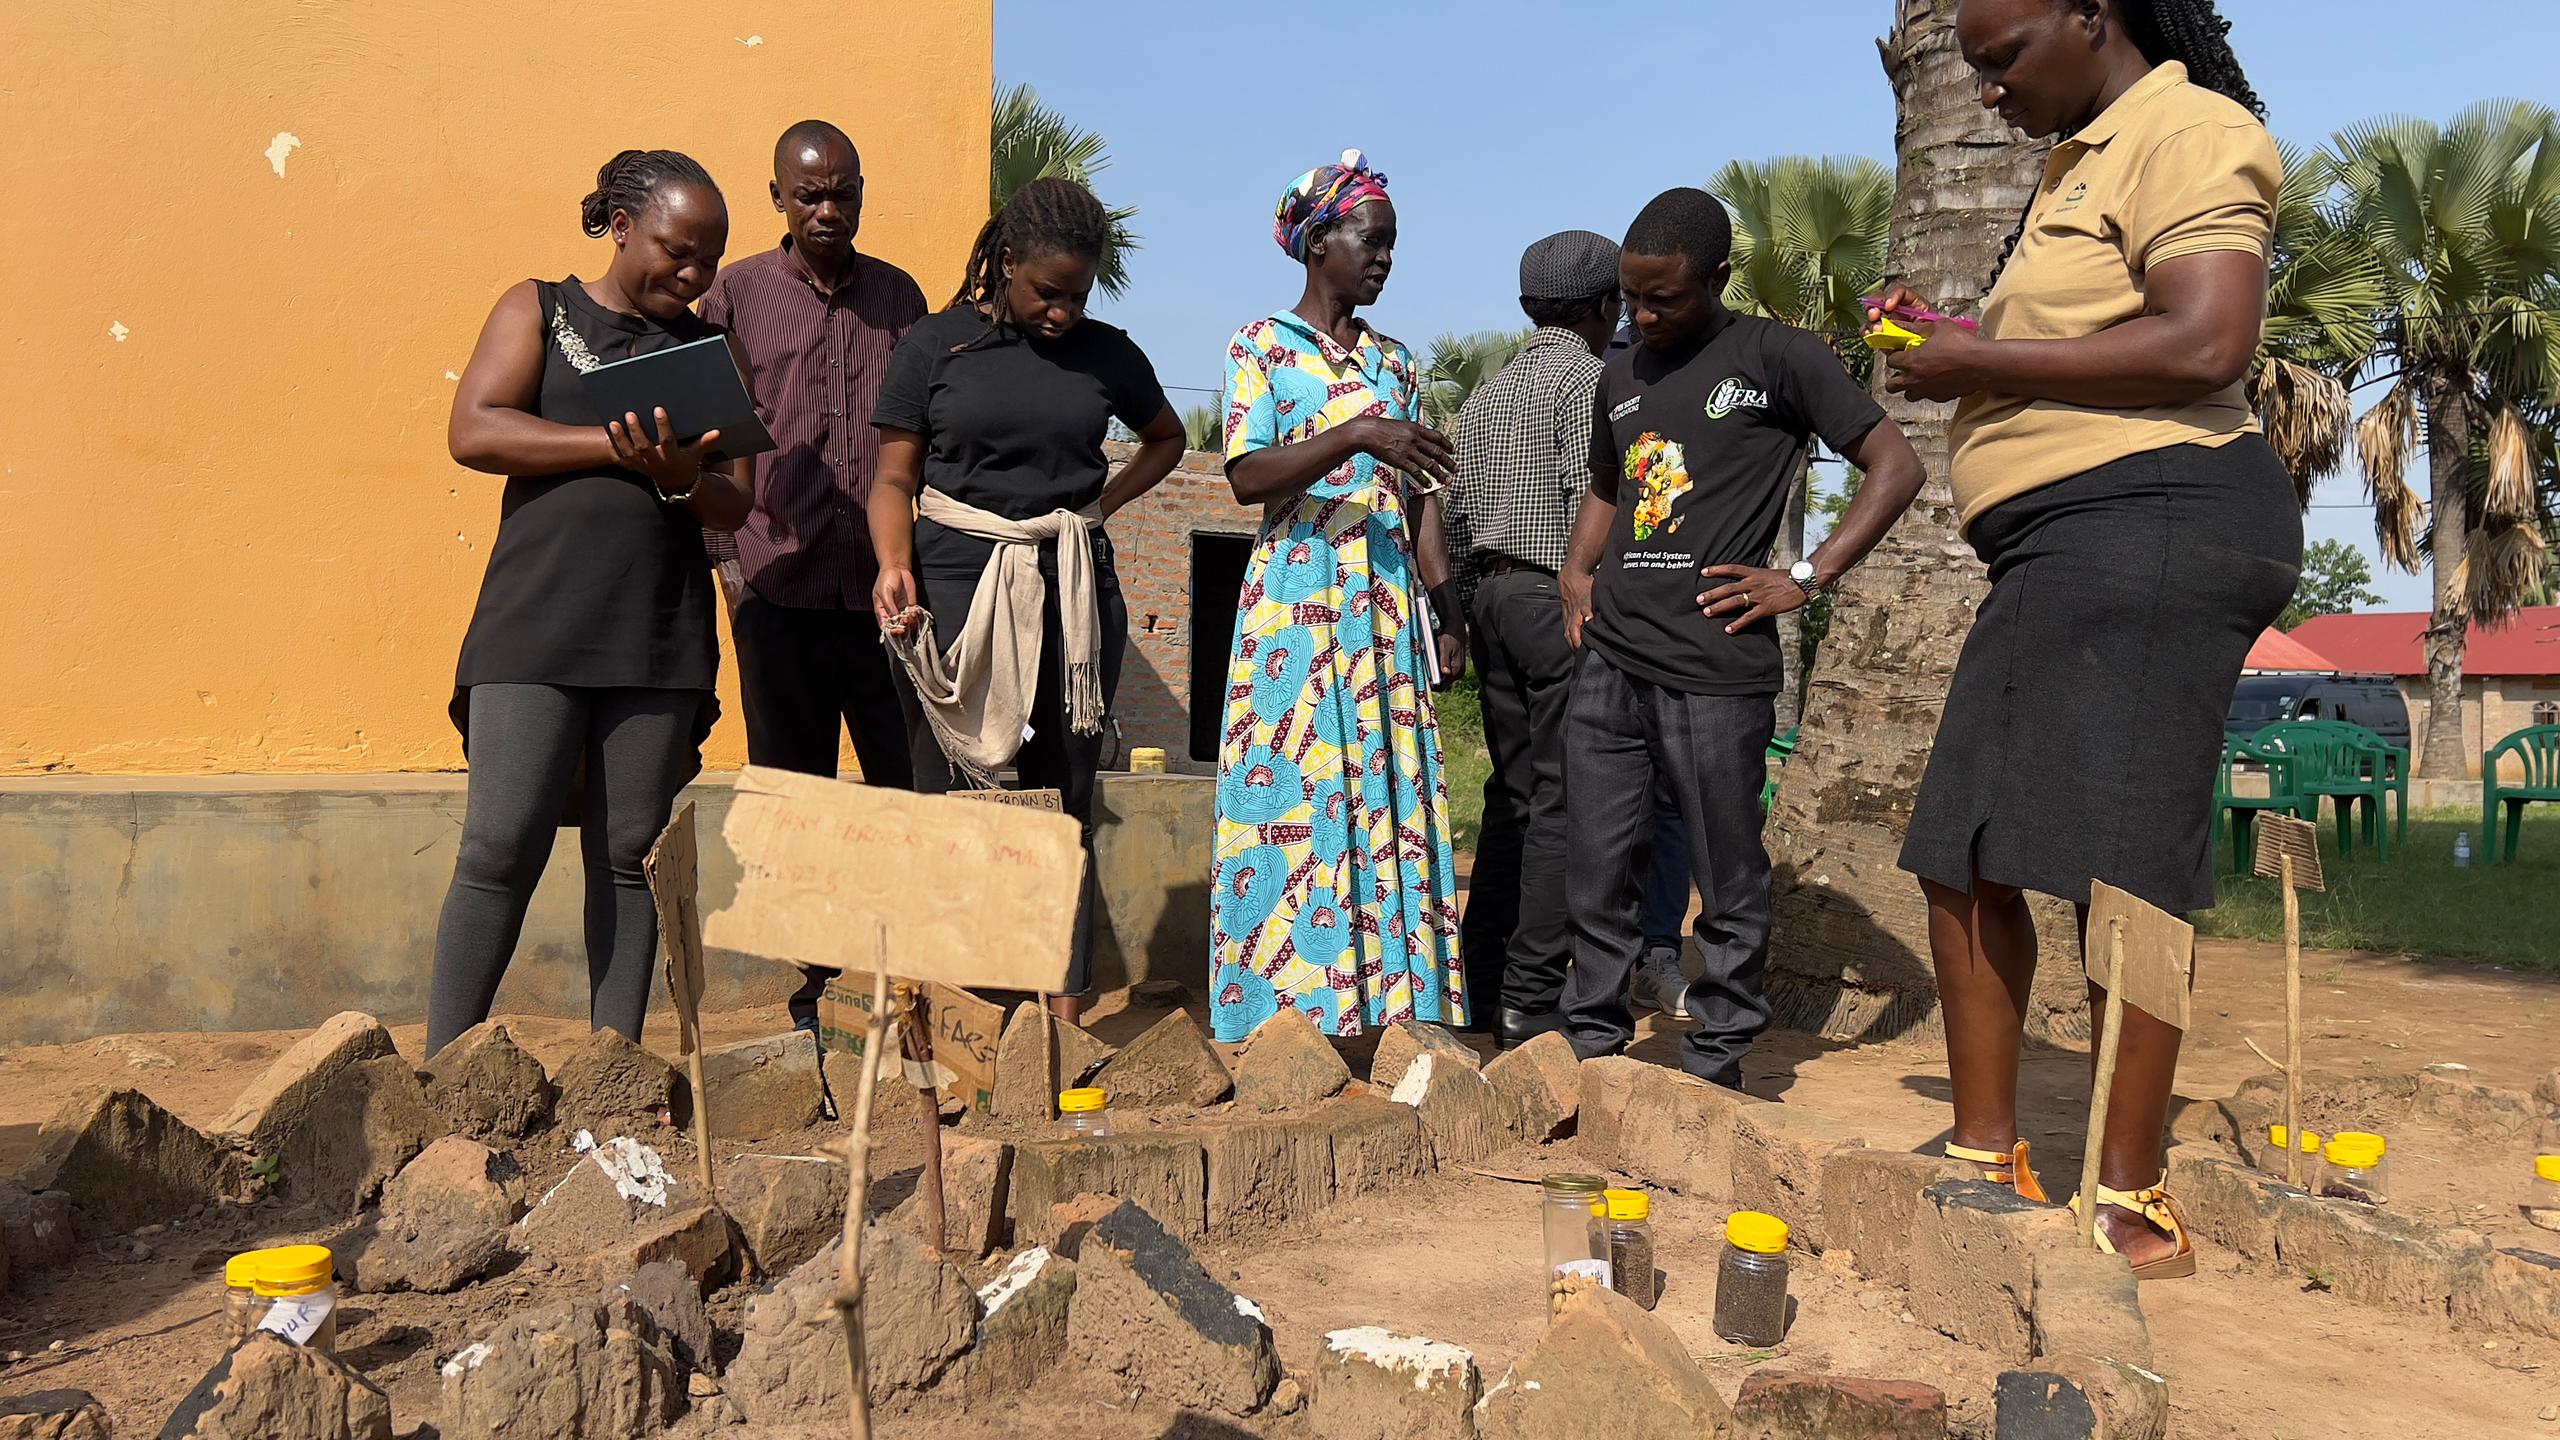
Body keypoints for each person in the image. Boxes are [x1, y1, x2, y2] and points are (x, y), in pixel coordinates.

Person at [1881, 0, 2295, 1281]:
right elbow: (2076, 338)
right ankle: (1985, 1155)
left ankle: (2128, 1197)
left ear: (2088, 13)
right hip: (2072, 538)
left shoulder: (2186, 127)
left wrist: (1978, 362)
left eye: (2002, 60)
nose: (1990, 91)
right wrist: (1955, 350)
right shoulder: (2082, 160)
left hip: (2156, 516)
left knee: (2122, 866)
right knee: (1965, 842)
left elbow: (2208, 338)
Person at [1559, 188, 1925, 1088]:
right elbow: (1609, 486)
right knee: (1597, 864)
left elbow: (1897, 463)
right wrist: (1576, 571)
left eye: (1665, 299)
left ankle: (1717, 1057)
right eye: (1631, 297)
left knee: (1726, 872)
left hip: (1715, 666)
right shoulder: (1621, 372)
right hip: (1612, 660)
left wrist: (1808, 576)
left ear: (1718, 278)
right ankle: (1592, 1049)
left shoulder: (1777, 356)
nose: (1643, 316)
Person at [429, 150, 752, 1057]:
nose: (692, 274)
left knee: (629, 855)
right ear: (621, 227)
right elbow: (475, 427)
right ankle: (445, 1070)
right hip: (535, 624)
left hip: (656, 632)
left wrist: (683, 474)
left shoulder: (711, 352)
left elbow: (737, 500)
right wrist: (610, 449)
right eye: (676, 251)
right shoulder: (538, 308)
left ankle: (612, 1071)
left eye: (709, 260)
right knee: (500, 846)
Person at [868, 177, 1185, 1027]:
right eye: (1049, 291)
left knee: (1064, 799)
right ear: (1005, 264)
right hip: (949, 589)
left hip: (1072, 594)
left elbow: (1168, 439)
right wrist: (892, 565)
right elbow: (894, 476)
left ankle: (1060, 1019)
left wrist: (1099, 512)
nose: (1064, 311)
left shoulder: (1109, 354)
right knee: (953, 793)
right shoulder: (936, 346)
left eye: (1079, 294)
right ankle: (956, 1013)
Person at [1207, 150, 1468, 1044]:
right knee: (1303, 788)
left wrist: (1445, 602)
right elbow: (1247, 475)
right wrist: (1357, 432)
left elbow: (1421, 496)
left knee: (1384, 789)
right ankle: (1283, 1014)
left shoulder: (1398, 362)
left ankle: (1390, 1008)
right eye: (1372, 239)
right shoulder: (1262, 347)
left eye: (1393, 245)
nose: (1386, 259)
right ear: (1320, 242)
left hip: (1385, 603)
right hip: (1297, 596)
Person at [699, 119, 926, 1033]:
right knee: (792, 804)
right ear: (778, 200)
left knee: (901, 793)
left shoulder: (899, 298)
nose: (829, 210)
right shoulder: (735, 295)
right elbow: (703, 439)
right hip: (778, 591)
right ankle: (806, 1007)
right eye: (810, 195)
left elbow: (920, 438)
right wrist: (731, 571)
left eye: (845, 192)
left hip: (879, 600)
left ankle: (903, 991)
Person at [1443, 230, 1620, 1048]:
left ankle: (1479, 986)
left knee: (1511, 798)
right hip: (1558, 600)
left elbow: (1452, 516)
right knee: (1562, 800)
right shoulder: (1593, 382)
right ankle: (1530, 999)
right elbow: (1593, 500)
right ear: (1601, 308)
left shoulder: (1488, 392)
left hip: (1491, 602)